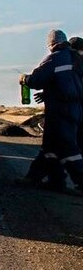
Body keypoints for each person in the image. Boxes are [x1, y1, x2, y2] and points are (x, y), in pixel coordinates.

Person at [17, 30, 83, 193]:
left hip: (60, 110)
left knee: (68, 147)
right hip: (74, 108)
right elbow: (68, 83)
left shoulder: (55, 58)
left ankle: (81, 183)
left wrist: (24, 79)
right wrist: (49, 93)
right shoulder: (75, 58)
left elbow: (37, 80)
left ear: (51, 44)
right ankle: (44, 179)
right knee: (50, 147)